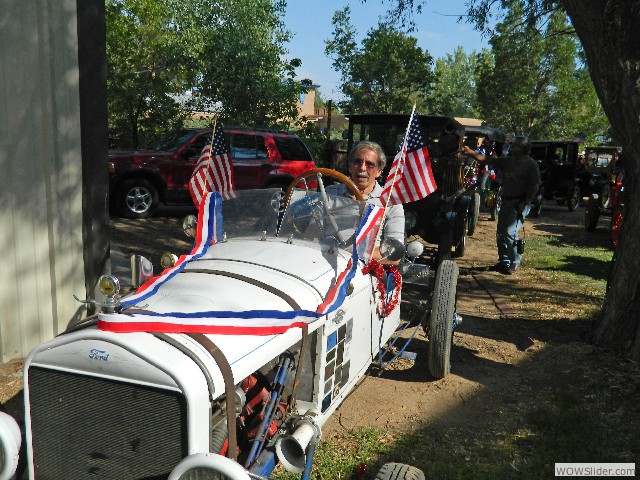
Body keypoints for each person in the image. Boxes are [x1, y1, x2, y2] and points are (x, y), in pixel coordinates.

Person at [462, 134, 540, 275]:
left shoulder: (531, 164)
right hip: (506, 201)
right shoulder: (508, 161)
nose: (512, 147)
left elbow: (535, 187)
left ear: (523, 148)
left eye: (515, 145)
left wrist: (524, 203)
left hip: (520, 203)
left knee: (510, 232)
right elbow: (487, 160)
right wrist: (471, 152)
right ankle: (504, 262)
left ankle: (515, 262)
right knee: (500, 233)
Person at [339, 140, 405, 265]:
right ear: (350, 166)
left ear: (379, 171)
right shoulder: (329, 194)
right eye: (358, 162)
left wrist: (349, 252)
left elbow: (394, 254)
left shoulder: (390, 204)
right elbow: (310, 235)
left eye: (369, 165)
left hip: (363, 271)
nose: (362, 168)